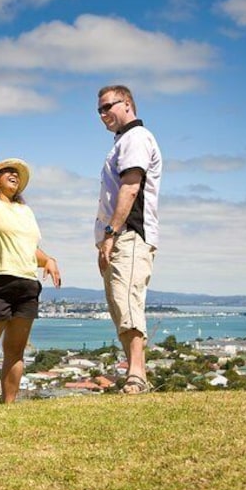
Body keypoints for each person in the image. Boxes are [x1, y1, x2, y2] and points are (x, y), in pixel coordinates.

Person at [0, 156, 61, 409]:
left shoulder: (25, 211)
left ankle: (9, 406)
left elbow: (29, 248)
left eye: (16, 173)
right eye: (7, 172)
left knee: (15, 352)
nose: (14, 174)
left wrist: (48, 259)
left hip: (27, 284)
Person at [94, 84, 162, 395]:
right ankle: (137, 374)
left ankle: (136, 375)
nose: (103, 114)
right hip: (119, 237)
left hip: (130, 234)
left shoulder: (136, 138)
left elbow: (131, 188)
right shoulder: (122, 141)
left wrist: (111, 234)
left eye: (108, 106)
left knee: (128, 303)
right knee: (119, 306)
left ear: (128, 104)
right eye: (99, 110)